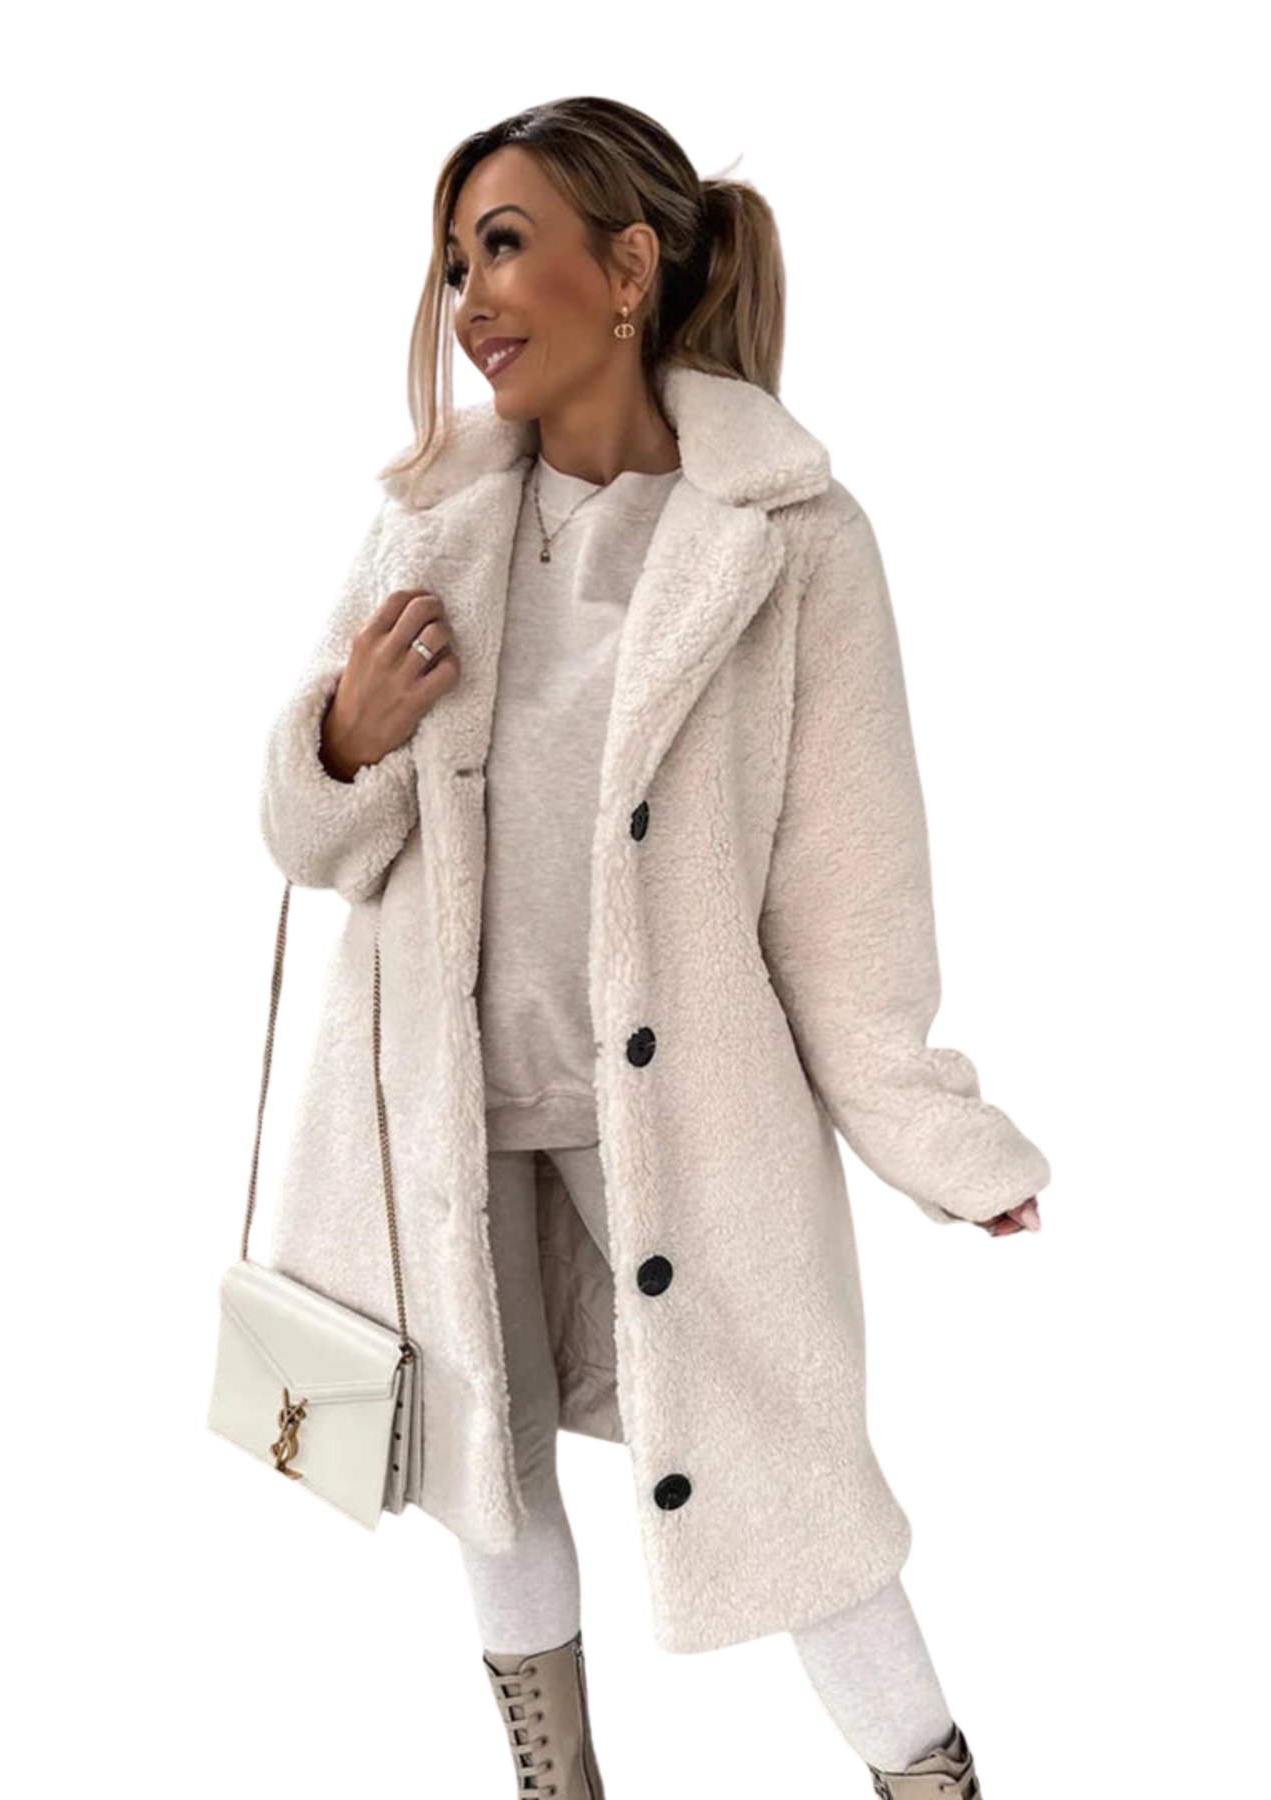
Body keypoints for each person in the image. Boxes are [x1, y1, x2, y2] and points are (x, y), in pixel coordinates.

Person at [260, 95, 1046, 1800]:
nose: (468, 299)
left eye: (503, 245)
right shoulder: (426, 525)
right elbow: (310, 846)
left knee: (788, 1483)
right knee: (491, 1478)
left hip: (682, 1119)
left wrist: (935, 1138)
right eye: (451, 263)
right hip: (444, 1111)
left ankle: (928, 1779)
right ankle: (556, 1783)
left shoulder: (788, 543)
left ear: (627, 269)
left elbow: (848, 897)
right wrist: (340, 735)